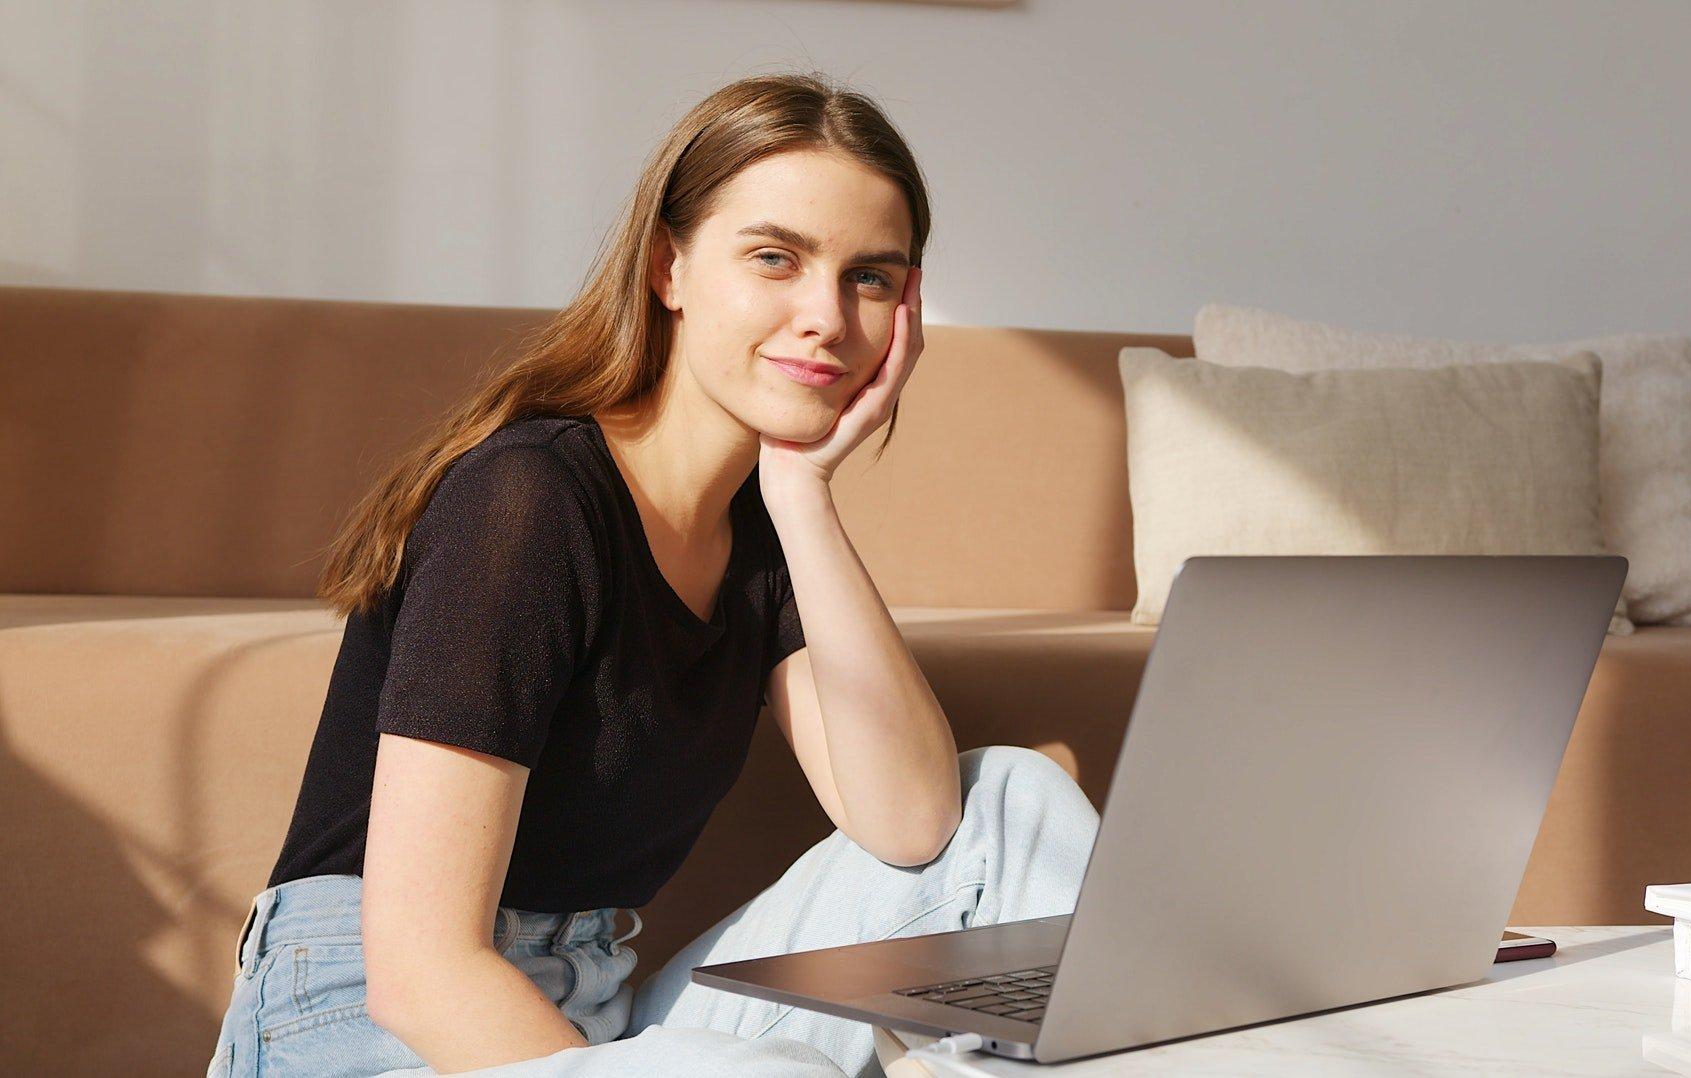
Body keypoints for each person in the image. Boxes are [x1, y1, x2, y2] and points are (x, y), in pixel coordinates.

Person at [204, 71, 1100, 1078]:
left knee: (1010, 807)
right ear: (668, 267)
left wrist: (804, 494)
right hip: (370, 1032)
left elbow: (915, 825)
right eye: (776, 257)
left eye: (871, 278)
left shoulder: (761, 526)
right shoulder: (529, 501)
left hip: (592, 1015)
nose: (827, 317)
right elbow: (418, 971)